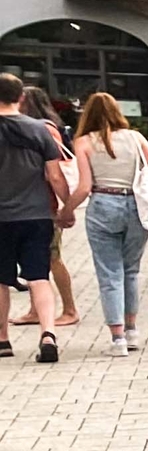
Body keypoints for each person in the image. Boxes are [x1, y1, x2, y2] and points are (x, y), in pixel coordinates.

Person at [71, 92, 148, 355]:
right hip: (135, 205)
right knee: (131, 270)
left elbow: (83, 187)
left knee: (109, 273)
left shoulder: (83, 142)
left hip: (103, 204)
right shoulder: (136, 138)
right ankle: (132, 330)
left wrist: (66, 211)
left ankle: (117, 339)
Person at [0, 75, 74, 362]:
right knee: (39, 276)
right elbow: (54, 175)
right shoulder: (40, 130)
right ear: (20, 98)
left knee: (1, 281)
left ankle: (3, 340)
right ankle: (48, 334)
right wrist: (67, 208)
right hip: (36, 215)